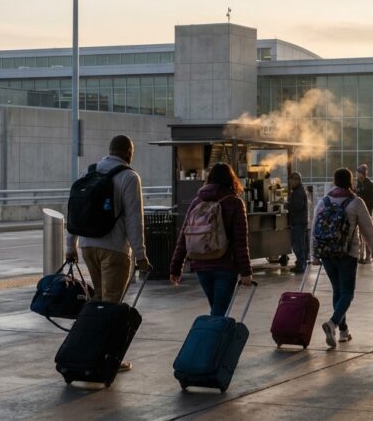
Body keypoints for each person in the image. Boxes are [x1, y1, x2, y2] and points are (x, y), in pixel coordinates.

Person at [65, 135, 150, 373]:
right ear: (129, 153)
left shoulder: (88, 171)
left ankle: (88, 349)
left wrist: (70, 246)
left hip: (88, 247)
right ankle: (103, 356)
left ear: (109, 150)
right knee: (111, 304)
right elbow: (135, 220)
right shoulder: (129, 177)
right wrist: (141, 255)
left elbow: (73, 209)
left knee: (98, 300)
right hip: (114, 250)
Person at [169, 163, 253, 316]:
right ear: (231, 179)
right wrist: (246, 272)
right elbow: (240, 241)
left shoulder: (197, 201)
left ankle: (215, 337)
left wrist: (176, 267)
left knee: (217, 309)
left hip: (201, 265)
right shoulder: (234, 202)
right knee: (219, 313)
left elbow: (184, 236)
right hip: (225, 266)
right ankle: (207, 338)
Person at [313, 168, 373, 348]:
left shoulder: (324, 201)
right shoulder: (355, 202)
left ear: (334, 181)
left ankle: (343, 331)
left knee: (337, 290)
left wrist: (314, 254)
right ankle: (333, 323)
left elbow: (314, 228)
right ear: (350, 181)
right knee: (347, 293)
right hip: (347, 254)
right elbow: (368, 228)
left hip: (326, 253)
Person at [287, 172, 309, 273]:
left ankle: (301, 265)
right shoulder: (297, 191)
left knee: (298, 245)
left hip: (298, 222)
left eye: (291, 180)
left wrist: (288, 205)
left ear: (297, 180)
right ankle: (301, 263)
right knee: (299, 244)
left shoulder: (298, 192)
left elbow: (298, 207)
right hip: (299, 221)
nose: (290, 182)